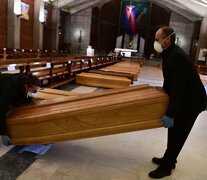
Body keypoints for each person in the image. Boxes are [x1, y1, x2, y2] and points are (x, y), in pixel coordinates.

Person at [149, 26, 207, 179]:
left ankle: (166, 168)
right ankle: (169, 159)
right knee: (174, 132)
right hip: (185, 98)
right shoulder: (169, 53)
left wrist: (171, 114)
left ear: (167, 40)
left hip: (192, 102)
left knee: (178, 134)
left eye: (157, 39)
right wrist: (163, 91)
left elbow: (179, 89)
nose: (155, 42)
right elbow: (171, 80)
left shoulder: (176, 56)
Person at [0, 73, 40, 145]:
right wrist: (3, 132)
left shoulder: (27, 80)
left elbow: (23, 96)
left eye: (36, 91)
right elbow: (1, 111)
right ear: (26, 86)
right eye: (34, 90)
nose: (35, 92)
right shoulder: (9, 90)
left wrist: (29, 101)